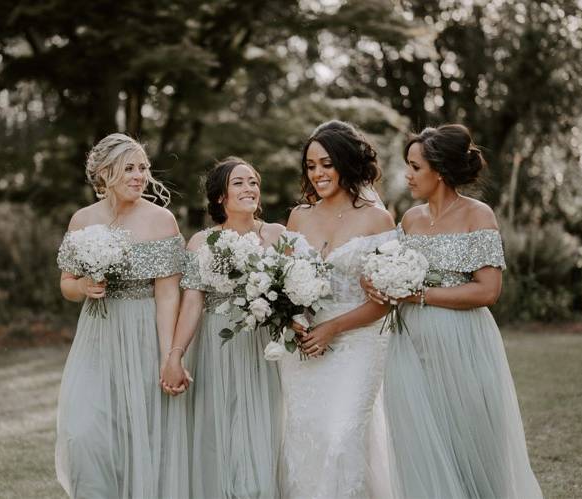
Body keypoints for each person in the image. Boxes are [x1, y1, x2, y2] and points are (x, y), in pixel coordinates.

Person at [364, 124, 543, 498]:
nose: (408, 175)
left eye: (415, 167)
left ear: (440, 170)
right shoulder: (410, 219)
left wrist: (420, 295)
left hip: (463, 339)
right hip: (409, 342)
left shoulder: (478, 215)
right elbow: (388, 266)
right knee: (418, 434)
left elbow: (488, 289)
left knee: (467, 432)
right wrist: (376, 280)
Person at [55, 133, 187, 498]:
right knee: (83, 433)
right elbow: (66, 284)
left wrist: (167, 356)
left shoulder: (162, 221)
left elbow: (167, 295)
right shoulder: (82, 220)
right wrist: (82, 287)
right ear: (104, 171)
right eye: (129, 168)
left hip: (144, 331)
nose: (139, 175)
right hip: (97, 334)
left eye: (143, 167)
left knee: (139, 439)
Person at [280, 120, 396, 498]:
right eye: (311, 166)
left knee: (341, 435)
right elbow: (282, 285)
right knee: (306, 436)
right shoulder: (298, 217)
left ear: (346, 162)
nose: (317, 174)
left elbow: (385, 302)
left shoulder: (377, 219)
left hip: (358, 342)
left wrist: (333, 328)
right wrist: (295, 320)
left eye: (326, 164)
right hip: (305, 349)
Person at [161, 157, 285, 498]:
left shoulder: (277, 234)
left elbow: (293, 295)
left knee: (265, 429)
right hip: (217, 344)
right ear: (220, 196)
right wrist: (176, 354)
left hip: (263, 346)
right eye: (239, 183)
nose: (249, 189)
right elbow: (193, 303)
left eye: (253, 182)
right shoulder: (200, 242)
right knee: (220, 433)